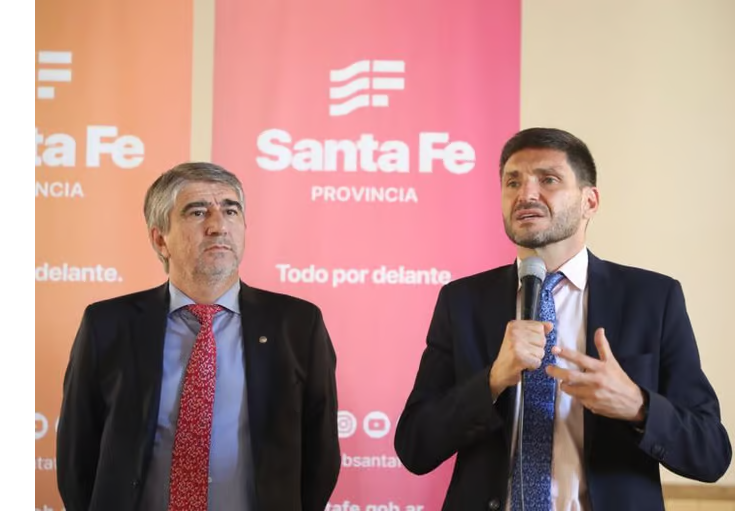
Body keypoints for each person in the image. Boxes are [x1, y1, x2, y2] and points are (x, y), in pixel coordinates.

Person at [394, 128, 731, 510]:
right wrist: (491, 381)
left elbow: (712, 453)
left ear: (590, 201)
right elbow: (414, 446)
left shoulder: (653, 298)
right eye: (513, 182)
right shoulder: (462, 302)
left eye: (548, 179)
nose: (526, 194)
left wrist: (638, 405)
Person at [57, 162, 341, 510]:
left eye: (230, 210)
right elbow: (77, 455)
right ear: (160, 239)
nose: (218, 226)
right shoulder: (107, 323)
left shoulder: (297, 324)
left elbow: (321, 452)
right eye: (197, 212)